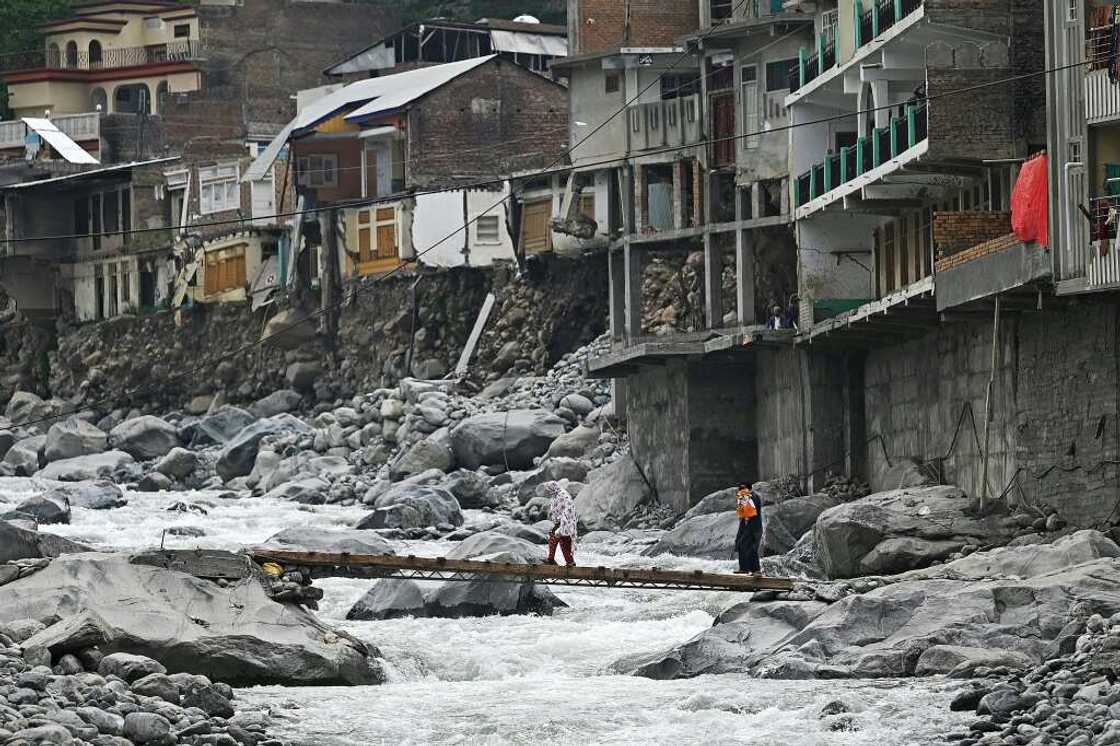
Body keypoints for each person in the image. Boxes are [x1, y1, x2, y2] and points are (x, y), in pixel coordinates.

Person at [544, 481, 577, 566]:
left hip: (566, 522)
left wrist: (563, 525)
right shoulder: (555, 495)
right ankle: (570, 562)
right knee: (564, 541)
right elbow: (556, 510)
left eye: (548, 489)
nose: (547, 492)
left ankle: (551, 560)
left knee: (555, 537)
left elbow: (567, 510)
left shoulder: (562, 495)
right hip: (561, 522)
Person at [734, 483, 763, 576]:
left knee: (751, 547)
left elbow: (752, 512)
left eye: (744, 489)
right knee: (740, 544)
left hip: (754, 527)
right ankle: (743, 568)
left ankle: (756, 570)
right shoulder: (742, 497)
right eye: (741, 489)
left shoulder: (754, 497)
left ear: (750, 489)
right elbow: (742, 512)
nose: (742, 491)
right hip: (744, 525)